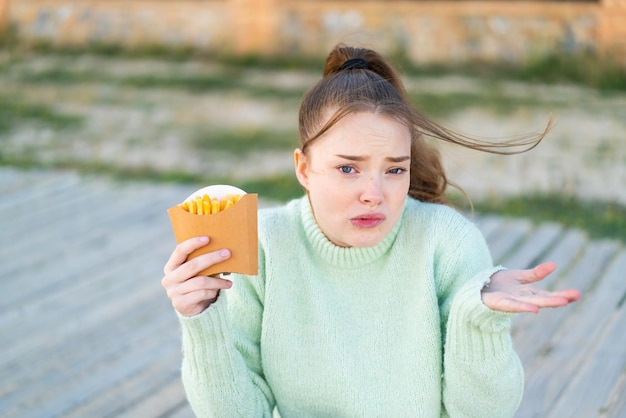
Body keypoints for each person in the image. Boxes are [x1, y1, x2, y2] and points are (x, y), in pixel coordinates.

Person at [161, 44, 581, 417]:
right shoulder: (265, 243)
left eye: (395, 169)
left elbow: (483, 414)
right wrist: (202, 321)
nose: (374, 194)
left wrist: (478, 321)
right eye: (348, 168)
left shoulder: (448, 243)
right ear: (303, 168)